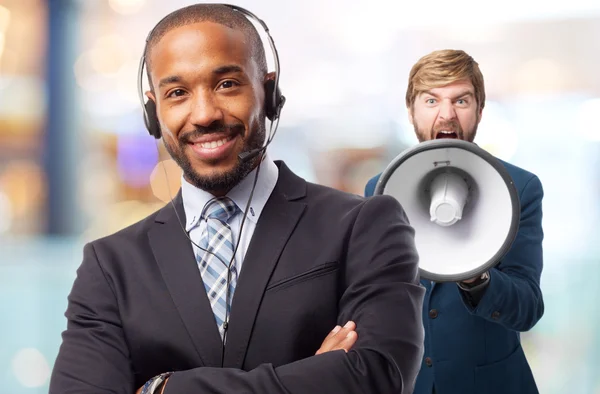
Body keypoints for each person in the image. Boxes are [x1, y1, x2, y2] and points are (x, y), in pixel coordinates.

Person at [49, 4, 426, 394]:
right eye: (177, 93)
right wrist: (316, 377)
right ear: (153, 111)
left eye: (226, 84)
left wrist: (162, 389)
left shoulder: (364, 226)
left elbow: (376, 378)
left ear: (268, 91)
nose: (204, 114)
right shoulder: (111, 267)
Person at [364, 49, 545, 394]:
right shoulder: (379, 189)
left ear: (480, 110)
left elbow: (527, 309)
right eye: (431, 100)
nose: (446, 116)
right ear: (411, 111)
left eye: (461, 101)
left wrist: (478, 277)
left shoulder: (520, 189)